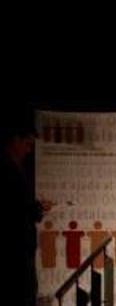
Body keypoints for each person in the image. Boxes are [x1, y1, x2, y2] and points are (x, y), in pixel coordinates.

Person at [0, 110, 51, 306]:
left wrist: (36, 207)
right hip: (12, 250)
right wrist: (34, 209)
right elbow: (11, 209)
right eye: (27, 144)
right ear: (15, 140)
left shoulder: (16, 167)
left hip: (21, 249)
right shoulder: (5, 168)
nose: (29, 150)